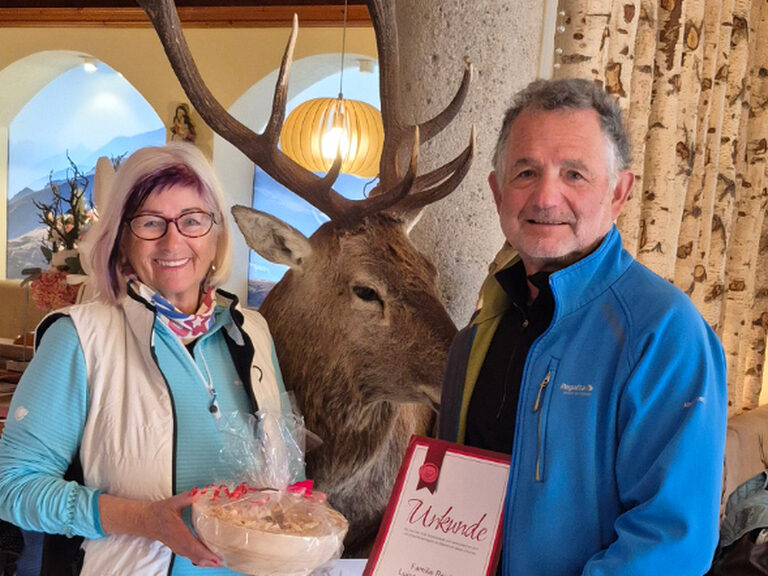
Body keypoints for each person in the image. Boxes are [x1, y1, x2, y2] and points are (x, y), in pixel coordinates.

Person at [438, 78, 728, 575]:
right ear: (497, 191)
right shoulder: (477, 336)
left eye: (575, 174)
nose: (546, 198)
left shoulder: (665, 334)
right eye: (525, 172)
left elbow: (669, 542)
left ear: (619, 192)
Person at [0, 143, 288, 575]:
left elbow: (277, 460)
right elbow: (12, 486)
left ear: (216, 235)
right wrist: (143, 520)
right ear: (121, 240)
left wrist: (290, 501)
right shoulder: (81, 337)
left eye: (192, 220)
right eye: (151, 223)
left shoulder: (252, 331)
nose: (174, 241)